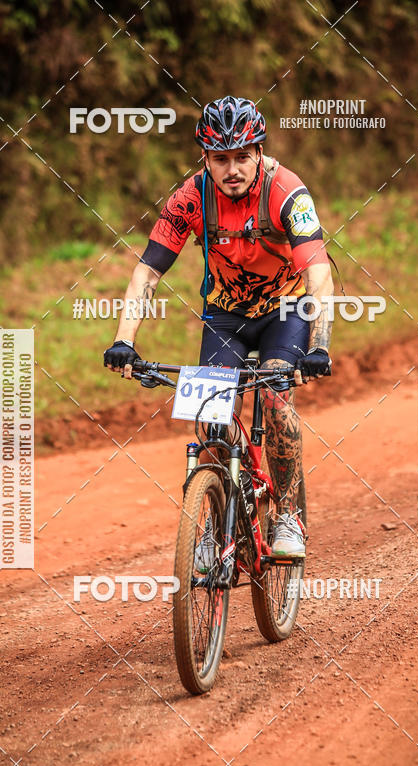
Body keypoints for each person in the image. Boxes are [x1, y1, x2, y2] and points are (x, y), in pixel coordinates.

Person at [104, 95, 333, 557]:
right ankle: (212, 520)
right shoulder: (190, 198)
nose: (232, 169)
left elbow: (318, 271)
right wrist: (124, 340)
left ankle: (287, 514)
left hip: (285, 310)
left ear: (259, 154)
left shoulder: (287, 192)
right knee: (208, 416)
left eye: (242, 157)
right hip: (225, 314)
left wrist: (319, 345)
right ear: (204, 158)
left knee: (274, 396)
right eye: (220, 158)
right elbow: (148, 272)